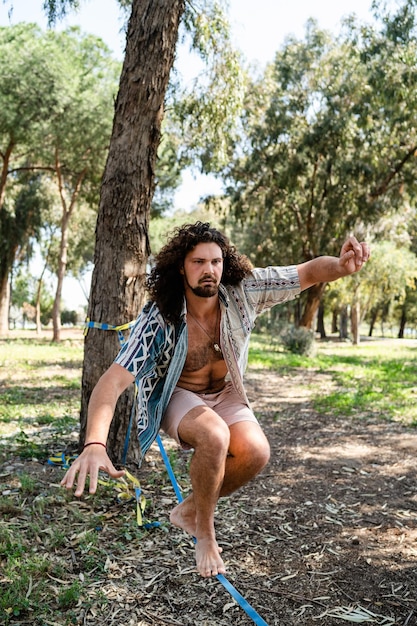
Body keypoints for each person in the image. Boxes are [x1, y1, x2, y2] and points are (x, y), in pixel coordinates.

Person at [61, 221, 370, 578]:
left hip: (225, 392)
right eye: (198, 262)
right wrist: (94, 443)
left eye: (216, 262)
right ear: (181, 266)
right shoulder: (159, 316)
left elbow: (305, 273)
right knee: (215, 435)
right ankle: (205, 536)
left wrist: (341, 266)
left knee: (256, 452)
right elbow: (112, 382)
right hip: (179, 394)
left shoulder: (243, 292)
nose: (209, 270)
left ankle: (190, 510)